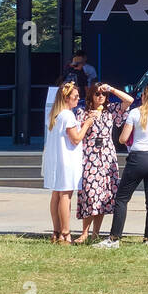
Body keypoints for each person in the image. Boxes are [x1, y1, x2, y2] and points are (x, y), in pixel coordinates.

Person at [97, 86, 148, 248]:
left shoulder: (136, 113)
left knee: (122, 198)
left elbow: (123, 139)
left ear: (145, 96)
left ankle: (114, 238)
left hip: (139, 157)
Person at [73, 81, 132, 244]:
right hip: (89, 153)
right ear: (91, 95)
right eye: (97, 93)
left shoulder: (111, 110)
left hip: (106, 155)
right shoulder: (82, 112)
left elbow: (129, 101)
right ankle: (84, 232)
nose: (101, 97)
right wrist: (88, 121)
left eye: (103, 94)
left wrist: (112, 89)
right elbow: (77, 133)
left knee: (103, 195)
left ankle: (95, 233)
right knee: (90, 193)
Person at [42, 82, 93, 244]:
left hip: (56, 159)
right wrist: (86, 125)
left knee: (57, 194)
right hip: (67, 159)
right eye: (75, 97)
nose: (78, 99)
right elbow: (76, 138)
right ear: (66, 97)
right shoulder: (67, 115)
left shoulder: (54, 114)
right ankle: (65, 232)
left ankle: (56, 231)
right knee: (65, 195)